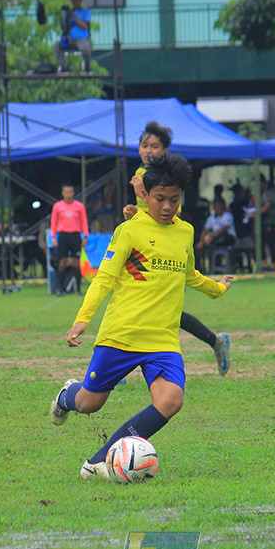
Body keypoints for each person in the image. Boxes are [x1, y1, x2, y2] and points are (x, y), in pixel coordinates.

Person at [49, 153, 234, 480]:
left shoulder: (185, 232)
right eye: (160, 199)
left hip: (162, 339)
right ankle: (67, 396)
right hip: (122, 334)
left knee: (171, 400)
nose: (167, 206)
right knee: (91, 403)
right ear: (144, 195)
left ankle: (98, 462)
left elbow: (188, 274)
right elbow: (104, 277)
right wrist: (83, 318)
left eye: (174, 200)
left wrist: (217, 288)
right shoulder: (129, 231)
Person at [122, 121, 232, 375]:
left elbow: (173, 213)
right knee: (141, 301)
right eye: (144, 145)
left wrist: (139, 197)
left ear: (166, 150)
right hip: (144, 248)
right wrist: (132, 213)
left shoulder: (165, 176)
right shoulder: (141, 171)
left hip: (167, 246)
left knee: (161, 307)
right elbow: (147, 217)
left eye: (155, 146)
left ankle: (117, 366)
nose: (148, 150)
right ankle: (215, 342)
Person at [51, 183, 88, 295]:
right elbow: (54, 222)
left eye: (70, 192)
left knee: (76, 262)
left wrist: (85, 236)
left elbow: (83, 221)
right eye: (66, 192)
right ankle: (61, 289)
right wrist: (53, 237)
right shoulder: (57, 206)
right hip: (63, 235)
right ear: (62, 193)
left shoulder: (79, 206)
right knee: (62, 262)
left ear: (73, 193)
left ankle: (78, 289)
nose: (68, 194)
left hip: (75, 235)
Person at [54, 0, 92, 74]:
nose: (75, 1)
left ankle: (87, 66)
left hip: (82, 38)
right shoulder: (69, 13)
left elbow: (85, 26)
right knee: (57, 46)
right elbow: (65, 29)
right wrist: (66, 18)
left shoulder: (86, 12)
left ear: (80, 0)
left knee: (85, 48)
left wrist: (74, 17)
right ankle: (64, 67)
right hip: (70, 38)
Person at [196, 196, 237, 272]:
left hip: (228, 238)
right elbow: (205, 230)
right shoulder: (211, 218)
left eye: (219, 206)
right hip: (215, 239)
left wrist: (211, 236)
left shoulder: (228, 216)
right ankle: (208, 268)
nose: (218, 208)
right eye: (216, 206)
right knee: (204, 246)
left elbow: (223, 229)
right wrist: (201, 240)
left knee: (218, 236)